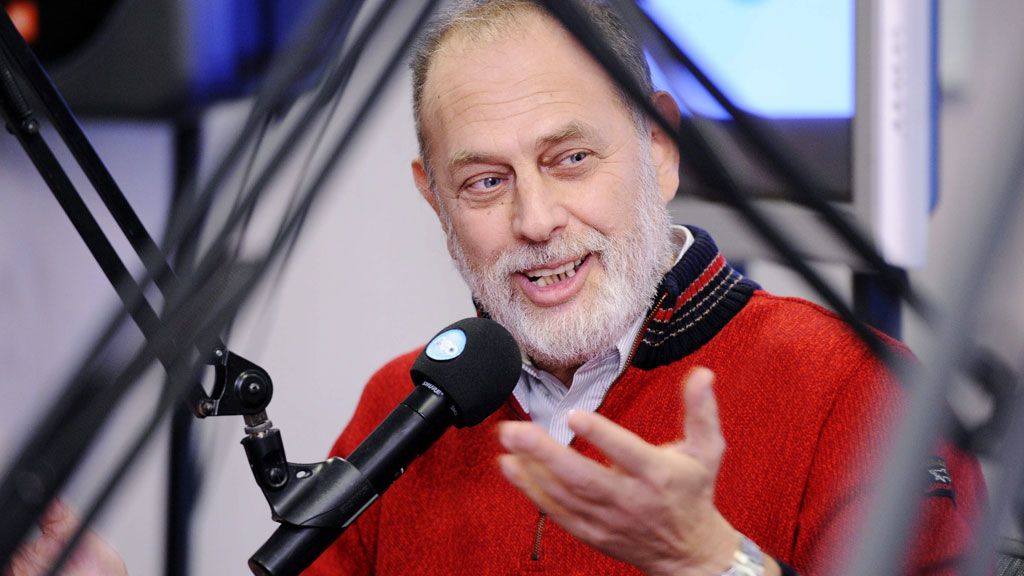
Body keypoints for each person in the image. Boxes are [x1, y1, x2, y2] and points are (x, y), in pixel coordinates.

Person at [5, 1, 985, 575]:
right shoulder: (402, 407)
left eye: (570, 159)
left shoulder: (861, 390)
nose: (535, 219)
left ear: (658, 146)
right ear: (432, 197)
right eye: (484, 181)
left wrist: (710, 562)